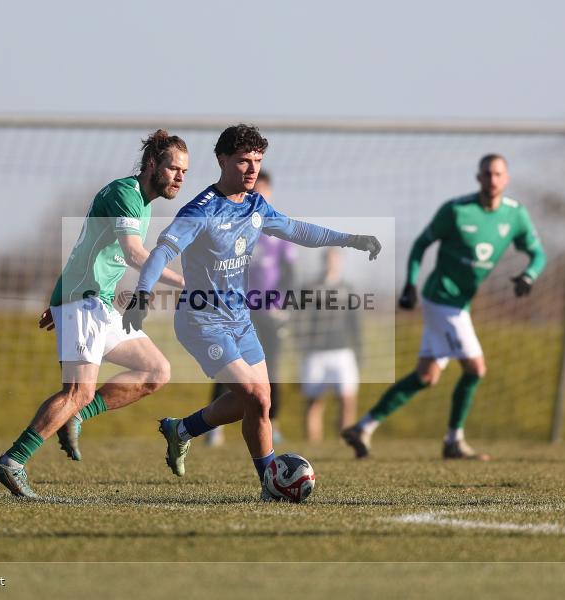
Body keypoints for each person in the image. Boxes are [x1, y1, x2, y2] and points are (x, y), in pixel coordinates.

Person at [122, 124, 380, 499]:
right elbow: (162, 251)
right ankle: (270, 482)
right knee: (256, 396)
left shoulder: (257, 205)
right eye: (244, 160)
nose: (252, 169)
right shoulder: (201, 210)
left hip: (240, 319)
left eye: (257, 161)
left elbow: (297, 230)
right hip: (201, 320)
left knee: (260, 402)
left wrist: (350, 239)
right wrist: (142, 296)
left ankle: (182, 430)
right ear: (222, 160)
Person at [0, 130, 188, 498]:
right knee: (78, 390)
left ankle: (77, 416)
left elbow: (89, 251)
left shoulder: (142, 202)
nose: (179, 177)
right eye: (173, 168)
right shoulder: (125, 194)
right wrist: (184, 282)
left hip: (97, 302)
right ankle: (12, 461)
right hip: (85, 301)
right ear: (151, 165)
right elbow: (132, 254)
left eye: (184, 172)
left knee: (156, 371)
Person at [343, 154, 546, 461]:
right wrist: (410, 283)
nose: (492, 180)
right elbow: (420, 244)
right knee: (476, 369)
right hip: (441, 298)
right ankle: (454, 440)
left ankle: (363, 426)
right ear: (478, 178)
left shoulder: (516, 215)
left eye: (498, 174)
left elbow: (538, 254)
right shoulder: (456, 210)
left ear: (506, 179)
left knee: (426, 376)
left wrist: (529, 276)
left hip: (460, 304)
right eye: (487, 174)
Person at [206, 170, 296, 446]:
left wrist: (282, 305)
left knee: (271, 367)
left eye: (265, 191)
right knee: (228, 364)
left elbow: (289, 271)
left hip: (269, 310)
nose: (260, 195)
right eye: (256, 190)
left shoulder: (278, 228)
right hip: (237, 309)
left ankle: (272, 421)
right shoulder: (232, 225)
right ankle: (214, 427)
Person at [298, 247, 361, 442]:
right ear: (323, 261)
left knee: (347, 399)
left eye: (335, 259)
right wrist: (303, 345)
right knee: (314, 401)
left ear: (340, 262)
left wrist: (359, 352)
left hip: (342, 351)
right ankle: (313, 444)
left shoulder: (348, 288)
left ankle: (344, 441)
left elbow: (355, 324)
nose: (331, 262)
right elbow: (300, 319)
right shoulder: (310, 288)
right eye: (328, 259)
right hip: (316, 353)